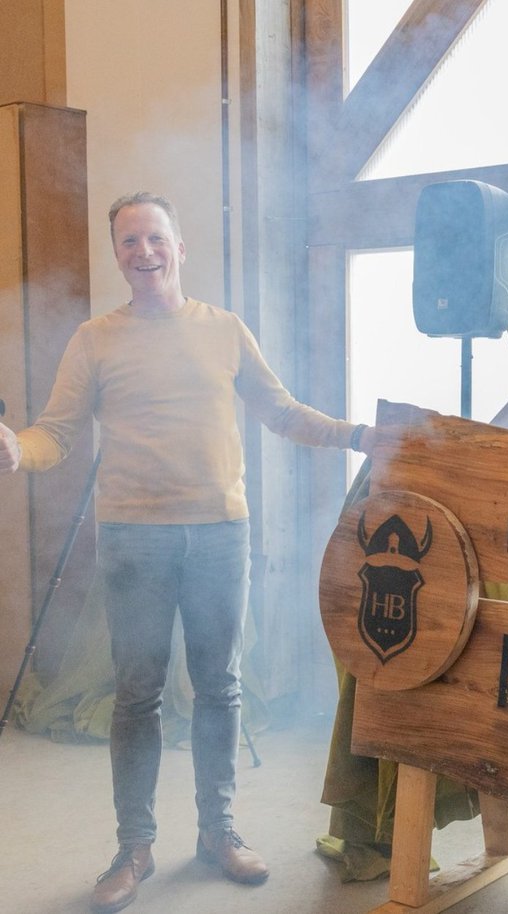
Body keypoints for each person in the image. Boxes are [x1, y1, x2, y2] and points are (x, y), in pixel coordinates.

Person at [0, 191, 376, 914]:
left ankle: (218, 832)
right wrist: (21, 449)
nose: (143, 252)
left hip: (218, 534)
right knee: (136, 695)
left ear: (179, 245)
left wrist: (357, 435)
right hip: (132, 539)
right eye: (129, 242)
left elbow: (284, 413)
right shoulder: (94, 339)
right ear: (118, 255)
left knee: (221, 689)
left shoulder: (224, 330)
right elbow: (56, 431)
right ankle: (133, 848)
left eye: (154, 238)